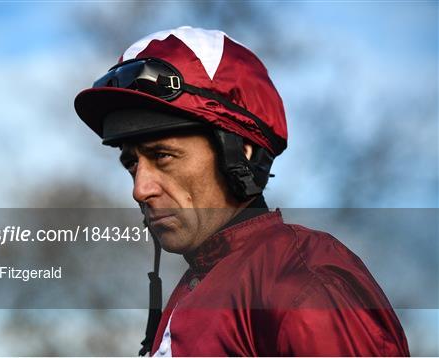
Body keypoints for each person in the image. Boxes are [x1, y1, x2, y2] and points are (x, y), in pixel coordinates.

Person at [74, 26, 409, 356]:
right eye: (131, 163)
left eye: (162, 156)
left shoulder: (302, 286)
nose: (140, 189)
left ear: (241, 151)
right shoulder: (199, 284)